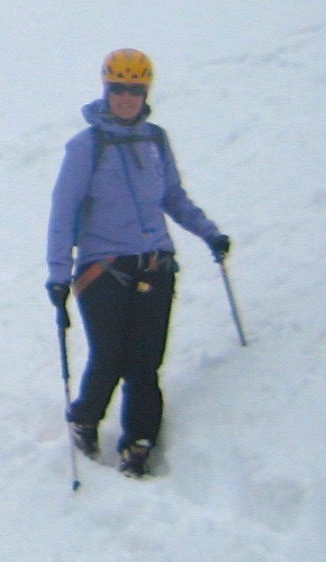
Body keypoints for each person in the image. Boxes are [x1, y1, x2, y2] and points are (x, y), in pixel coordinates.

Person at [46, 48, 231, 476]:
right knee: (110, 355)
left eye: (135, 89)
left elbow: (173, 198)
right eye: (119, 89)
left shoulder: (155, 140)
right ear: (106, 90)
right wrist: (57, 275)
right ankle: (85, 419)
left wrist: (209, 233)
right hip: (101, 267)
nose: (127, 97)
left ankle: (140, 439)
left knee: (146, 362)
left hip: (154, 264)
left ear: (145, 91)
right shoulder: (85, 147)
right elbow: (64, 212)